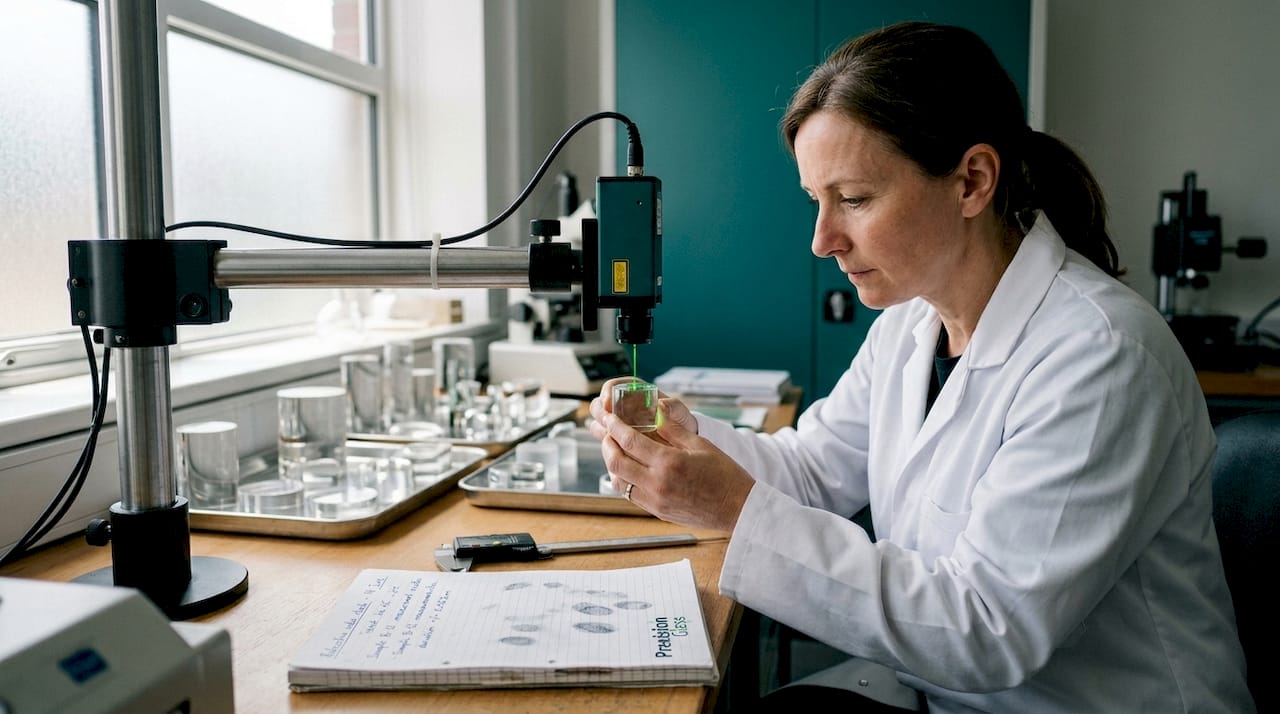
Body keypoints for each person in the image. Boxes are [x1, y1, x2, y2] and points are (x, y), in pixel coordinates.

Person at [589, 21, 1254, 713]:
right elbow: (813, 472)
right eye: (815, 202)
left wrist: (729, 504)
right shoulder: (911, 325)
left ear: (971, 181)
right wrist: (678, 439)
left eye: (853, 199)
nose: (823, 240)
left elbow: (987, 630)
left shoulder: (1102, 356)